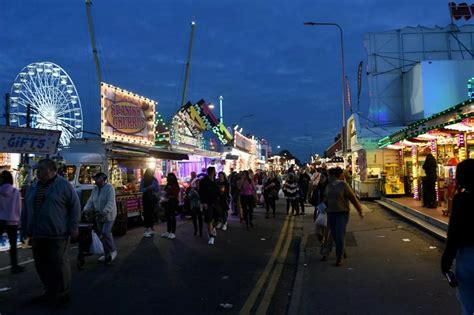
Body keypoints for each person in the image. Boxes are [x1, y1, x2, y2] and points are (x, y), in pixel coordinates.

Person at [21, 159, 81, 305]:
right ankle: (48, 291)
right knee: (41, 265)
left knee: (58, 264)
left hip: (57, 234)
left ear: (51, 169)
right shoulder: (34, 186)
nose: (37, 171)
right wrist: (24, 228)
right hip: (37, 233)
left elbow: (75, 206)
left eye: (40, 169)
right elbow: (26, 209)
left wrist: (73, 226)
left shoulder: (64, 185)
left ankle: (62, 293)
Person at [441, 159, 474, 315]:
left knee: (468, 304)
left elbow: (453, 234)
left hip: (467, 256)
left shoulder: (461, 200)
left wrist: (446, 261)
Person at [324, 167, 363, 266]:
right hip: (331, 214)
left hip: (342, 213)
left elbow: (352, 198)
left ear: (333, 176)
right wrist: (320, 209)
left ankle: (339, 258)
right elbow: (326, 200)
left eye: (329, 175)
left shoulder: (343, 185)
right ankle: (343, 251)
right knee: (335, 235)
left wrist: (359, 210)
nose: (327, 177)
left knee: (339, 235)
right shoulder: (328, 186)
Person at [83, 172, 117, 264]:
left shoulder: (109, 188)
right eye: (95, 179)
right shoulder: (95, 189)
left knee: (106, 232)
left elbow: (110, 202)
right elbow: (90, 201)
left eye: (97, 179)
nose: (95, 180)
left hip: (109, 215)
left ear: (103, 179)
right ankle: (106, 254)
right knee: (102, 235)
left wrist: (105, 211)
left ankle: (113, 251)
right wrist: (86, 209)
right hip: (98, 216)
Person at [0, 170, 24, 274]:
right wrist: (19, 220)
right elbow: (18, 207)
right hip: (12, 220)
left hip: (0, 219)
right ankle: (14, 266)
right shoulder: (15, 191)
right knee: (13, 245)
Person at [199, 167, 219, 245]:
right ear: (212, 172)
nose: (215, 172)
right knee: (209, 219)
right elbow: (201, 192)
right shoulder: (204, 181)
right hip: (207, 203)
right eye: (215, 171)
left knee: (217, 217)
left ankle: (213, 228)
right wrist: (203, 202)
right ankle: (211, 236)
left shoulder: (215, 180)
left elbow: (217, 191)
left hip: (216, 202)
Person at [139, 168, 160, 238]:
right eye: (150, 172)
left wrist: (153, 188)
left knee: (151, 213)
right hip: (146, 198)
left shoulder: (154, 180)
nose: (151, 174)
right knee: (146, 213)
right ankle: (147, 229)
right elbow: (141, 189)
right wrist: (147, 188)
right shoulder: (143, 180)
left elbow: (157, 189)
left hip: (152, 198)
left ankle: (151, 228)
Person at [161, 173, 180, 240]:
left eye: (169, 177)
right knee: (168, 217)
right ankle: (168, 231)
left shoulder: (175, 184)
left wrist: (168, 196)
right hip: (167, 202)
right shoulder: (168, 184)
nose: (168, 178)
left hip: (173, 202)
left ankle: (173, 232)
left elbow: (175, 194)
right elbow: (165, 191)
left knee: (172, 217)